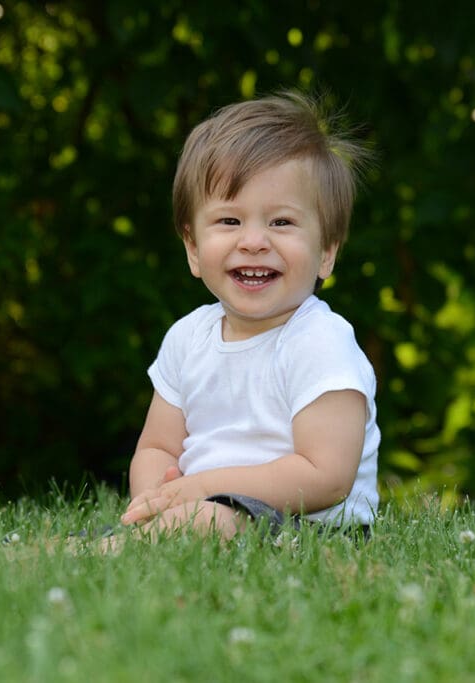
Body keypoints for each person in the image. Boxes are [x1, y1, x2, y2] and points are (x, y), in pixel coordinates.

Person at [116, 91, 379, 544]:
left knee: (208, 521)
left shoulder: (319, 340)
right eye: (230, 222)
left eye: (281, 223)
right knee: (198, 521)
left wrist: (204, 489)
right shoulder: (188, 338)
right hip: (206, 510)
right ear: (194, 250)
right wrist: (157, 497)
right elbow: (157, 445)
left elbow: (326, 474)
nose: (254, 241)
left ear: (326, 253)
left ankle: (113, 549)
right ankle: (143, 539)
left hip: (309, 527)